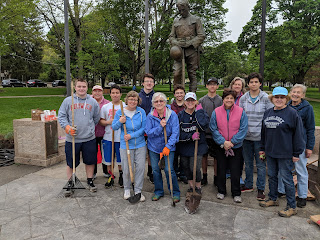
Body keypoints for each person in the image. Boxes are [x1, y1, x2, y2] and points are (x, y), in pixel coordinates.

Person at [259, 87, 305, 217]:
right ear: (272, 98)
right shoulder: (268, 113)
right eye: (276, 97)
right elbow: (264, 133)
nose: (279, 100)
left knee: (287, 179)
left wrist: (296, 153)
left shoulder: (292, 113)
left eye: (282, 97)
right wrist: (262, 148)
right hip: (271, 152)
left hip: (285, 153)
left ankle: (291, 206)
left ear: (286, 99)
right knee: (272, 177)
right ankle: (273, 198)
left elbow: (298, 135)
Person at [58, 78, 100, 196]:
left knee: (90, 161)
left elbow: (96, 118)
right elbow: (61, 116)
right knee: (71, 162)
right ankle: (70, 183)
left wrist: (89, 128)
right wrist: (67, 128)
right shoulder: (68, 101)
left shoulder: (93, 102)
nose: (81, 89)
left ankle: (90, 181)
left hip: (89, 138)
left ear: (87, 88)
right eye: (79, 86)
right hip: (72, 139)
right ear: (75, 88)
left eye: (84, 87)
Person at [278, 84, 315, 208]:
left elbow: (310, 128)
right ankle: (281, 190)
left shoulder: (307, 108)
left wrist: (309, 147)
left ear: (303, 95)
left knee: (301, 171)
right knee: (283, 168)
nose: (295, 94)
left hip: (299, 144)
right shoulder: (285, 105)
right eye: (294, 91)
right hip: (285, 143)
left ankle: (302, 195)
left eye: (299, 92)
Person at [239, 72, 273, 201]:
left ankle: (261, 189)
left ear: (260, 83)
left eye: (256, 82)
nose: (253, 84)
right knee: (247, 163)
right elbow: (241, 117)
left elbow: (269, 116)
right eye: (251, 82)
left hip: (260, 139)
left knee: (260, 165)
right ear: (248, 84)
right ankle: (248, 185)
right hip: (246, 138)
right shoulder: (243, 98)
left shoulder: (265, 98)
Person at [210, 89, 248, 203]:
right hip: (221, 146)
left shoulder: (241, 111)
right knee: (221, 169)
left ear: (234, 99)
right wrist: (223, 142)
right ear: (223, 99)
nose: (229, 100)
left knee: (235, 171)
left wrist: (232, 142)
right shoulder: (216, 112)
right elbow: (213, 128)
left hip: (235, 147)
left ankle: (236, 193)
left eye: (231, 98)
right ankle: (221, 191)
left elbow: (243, 129)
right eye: (227, 98)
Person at [112, 91, 147, 203]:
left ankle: (137, 190)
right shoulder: (120, 112)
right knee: (126, 168)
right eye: (131, 99)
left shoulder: (141, 112)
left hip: (140, 144)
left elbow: (144, 128)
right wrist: (120, 121)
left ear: (138, 101)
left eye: (135, 100)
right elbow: (114, 127)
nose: (133, 101)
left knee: (140, 168)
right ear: (127, 100)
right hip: (125, 145)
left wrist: (132, 135)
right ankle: (127, 189)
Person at [145, 92, 180, 202]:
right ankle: (158, 191)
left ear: (165, 102)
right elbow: (148, 132)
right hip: (154, 147)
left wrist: (168, 146)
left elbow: (175, 133)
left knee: (169, 169)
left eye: (161, 101)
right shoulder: (150, 116)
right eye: (156, 101)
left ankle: (174, 192)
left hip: (168, 147)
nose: (159, 103)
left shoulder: (172, 114)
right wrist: (160, 127)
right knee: (155, 170)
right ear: (153, 104)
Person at [169, 0, 206, 92]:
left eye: (183, 10)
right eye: (179, 10)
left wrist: (191, 43)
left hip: (192, 50)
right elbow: (171, 36)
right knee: (177, 72)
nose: (181, 12)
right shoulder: (176, 21)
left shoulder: (196, 19)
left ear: (188, 8)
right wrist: (176, 43)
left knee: (192, 73)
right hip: (178, 50)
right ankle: (177, 94)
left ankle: (192, 95)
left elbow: (201, 35)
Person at [178, 92, 209, 197]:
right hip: (185, 145)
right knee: (186, 167)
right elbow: (178, 133)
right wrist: (190, 136)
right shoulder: (181, 115)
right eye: (188, 100)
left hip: (198, 146)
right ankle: (191, 186)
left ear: (196, 101)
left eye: (192, 100)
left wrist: (199, 112)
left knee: (194, 167)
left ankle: (198, 187)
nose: (190, 102)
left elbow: (203, 126)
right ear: (185, 102)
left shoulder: (201, 113)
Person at [100, 84, 125, 187]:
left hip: (121, 138)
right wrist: (108, 122)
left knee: (120, 160)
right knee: (109, 160)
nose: (115, 95)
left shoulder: (125, 106)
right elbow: (101, 121)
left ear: (120, 94)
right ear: (110, 94)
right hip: (108, 137)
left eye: (117, 93)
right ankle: (111, 177)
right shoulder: (105, 107)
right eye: (113, 93)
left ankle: (121, 176)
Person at [198, 77, 222, 186]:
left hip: (217, 133)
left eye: (214, 84)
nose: (212, 86)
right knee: (204, 155)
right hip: (204, 132)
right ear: (206, 86)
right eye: (210, 84)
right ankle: (204, 176)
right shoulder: (202, 100)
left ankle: (216, 177)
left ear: (217, 86)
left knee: (216, 156)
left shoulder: (220, 100)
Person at [229, 77, 246, 185]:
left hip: (239, 128)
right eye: (235, 84)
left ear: (242, 87)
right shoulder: (228, 96)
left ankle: (238, 175)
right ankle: (228, 172)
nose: (236, 86)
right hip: (227, 127)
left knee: (239, 156)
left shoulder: (244, 98)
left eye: (239, 85)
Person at [139, 73, 155, 183]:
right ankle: (138, 172)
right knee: (139, 152)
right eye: (147, 81)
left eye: (151, 81)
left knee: (151, 152)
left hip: (153, 128)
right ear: (143, 83)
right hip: (139, 129)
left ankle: (151, 172)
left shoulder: (157, 96)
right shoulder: (138, 96)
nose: (149, 83)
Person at [91, 85, 110, 179]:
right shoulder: (88, 102)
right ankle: (93, 172)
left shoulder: (107, 103)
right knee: (92, 153)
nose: (97, 93)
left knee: (105, 153)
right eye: (95, 91)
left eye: (99, 91)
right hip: (91, 133)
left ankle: (106, 171)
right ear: (92, 92)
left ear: (102, 92)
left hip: (104, 133)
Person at [170, 84, 187, 184]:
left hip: (185, 135)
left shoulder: (187, 105)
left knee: (184, 156)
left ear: (184, 94)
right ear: (174, 95)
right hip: (173, 135)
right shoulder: (171, 107)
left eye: (181, 93)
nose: (179, 95)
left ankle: (183, 174)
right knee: (175, 156)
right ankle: (175, 173)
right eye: (177, 93)